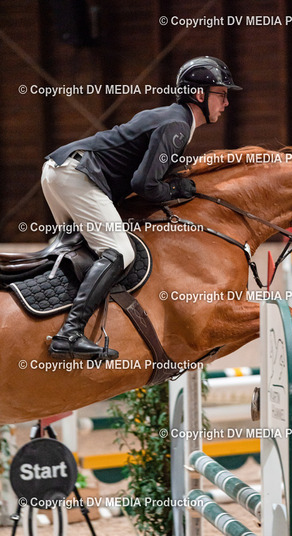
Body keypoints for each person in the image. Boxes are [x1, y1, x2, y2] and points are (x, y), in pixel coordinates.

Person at [41, 56, 242, 361]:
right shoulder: (177, 125)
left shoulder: (173, 119)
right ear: (199, 95)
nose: (226, 103)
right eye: (221, 94)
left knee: (78, 253)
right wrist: (176, 189)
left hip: (62, 171)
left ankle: (46, 320)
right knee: (120, 252)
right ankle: (69, 334)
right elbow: (145, 184)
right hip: (78, 176)